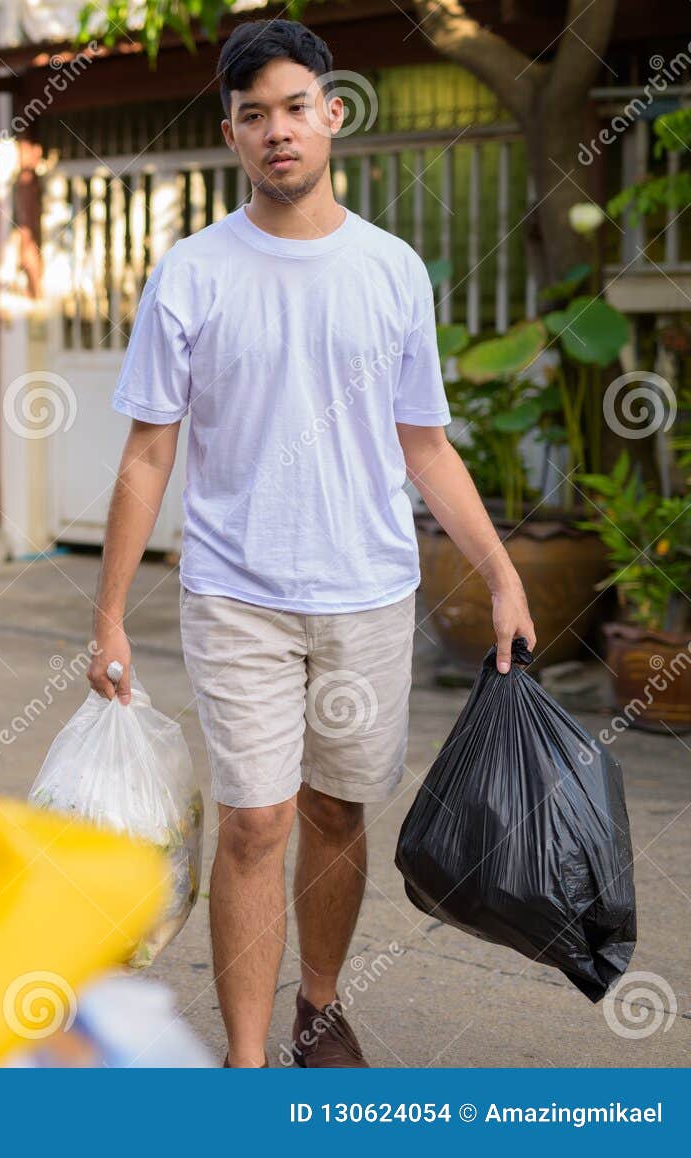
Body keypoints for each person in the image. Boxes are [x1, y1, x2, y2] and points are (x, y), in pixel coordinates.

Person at [87, 18, 538, 1069]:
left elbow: (424, 446)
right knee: (254, 822)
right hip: (235, 593)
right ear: (232, 135)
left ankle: (317, 1010)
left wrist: (502, 574)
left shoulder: (390, 272)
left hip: (368, 593)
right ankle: (246, 1066)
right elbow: (148, 454)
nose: (277, 131)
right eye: (254, 116)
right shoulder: (192, 273)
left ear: (332, 115)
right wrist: (107, 613)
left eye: (295, 108)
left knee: (337, 811)